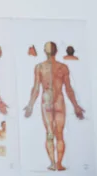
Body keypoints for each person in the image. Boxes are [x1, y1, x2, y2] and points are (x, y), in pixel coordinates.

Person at [23, 41, 85, 171]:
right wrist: (76, 106)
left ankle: (53, 163)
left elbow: (36, 89)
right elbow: (68, 89)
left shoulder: (40, 67)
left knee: (50, 134)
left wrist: (30, 105)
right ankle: (58, 164)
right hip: (58, 101)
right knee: (59, 134)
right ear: (56, 51)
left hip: (47, 101)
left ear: (45, 52)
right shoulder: (62, 67)